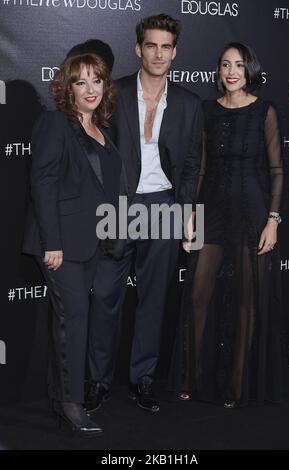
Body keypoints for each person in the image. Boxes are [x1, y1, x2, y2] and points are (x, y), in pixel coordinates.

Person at [86, 13, 202, 413]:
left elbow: (192, 166)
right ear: (138, 49)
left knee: (154, 301)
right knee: (104, 297)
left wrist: (188, 217)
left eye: (166, 46)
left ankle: (143, 380)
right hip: (118, 207)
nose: (158, 53)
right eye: (150, 45)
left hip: (165, 205)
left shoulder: (188, 104)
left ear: (174, 52)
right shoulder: (113, 94)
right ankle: (97, 382)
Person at [171, 42, 284, 408]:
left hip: (252, 213)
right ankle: (192, 378)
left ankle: (235, 388)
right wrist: (189, 215)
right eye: (225, 65)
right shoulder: (207, 110)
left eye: (238, 64)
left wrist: (273, 220)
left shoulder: (265, 111)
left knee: (245, 303)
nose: (231, 71)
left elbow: (277, 171)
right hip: (212, 211)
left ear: (249, 69)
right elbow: (200, 166)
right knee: (198, 295)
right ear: (218, 72)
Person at [22, 51, 121, 435]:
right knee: (73, 322)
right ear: (68, 88)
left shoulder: (101, 129)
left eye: (96, 80)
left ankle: (60, 397)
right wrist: (53, 242)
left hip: (91, 243)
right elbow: (42, 184)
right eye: (81, 81)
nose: (90, 88)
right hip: (61, 245)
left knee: (72, 321)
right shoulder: (55, 123)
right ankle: (70, 404)